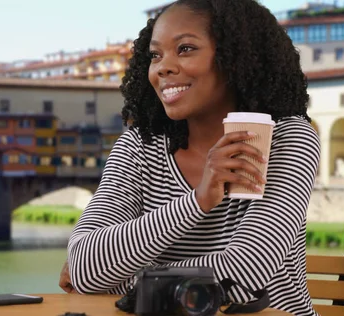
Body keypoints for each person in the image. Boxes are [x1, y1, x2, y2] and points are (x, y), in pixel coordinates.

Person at [59, 0, 320, 315]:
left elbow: (246, 271)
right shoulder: (139, 145)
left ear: (234, 58)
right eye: (155, 55)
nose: (163, 67)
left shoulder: (287, 138)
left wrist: (122, 276)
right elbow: (86, 264)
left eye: (184, 49)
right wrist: (197, 201)